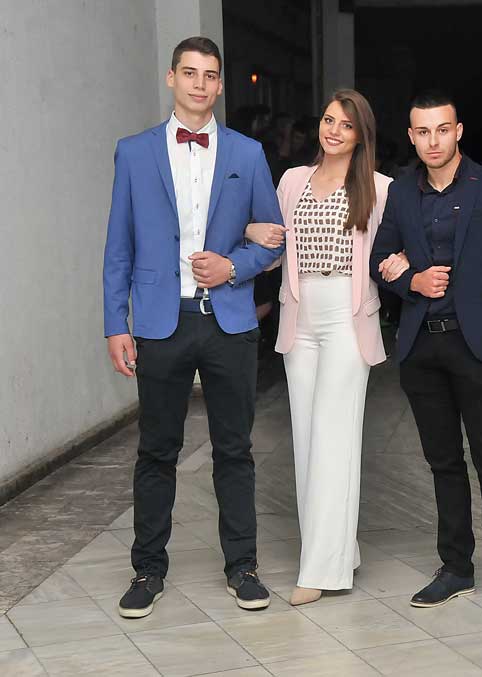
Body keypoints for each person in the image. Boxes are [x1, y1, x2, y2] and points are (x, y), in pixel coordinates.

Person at [103, 37, 282, 618]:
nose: (200, 84)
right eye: (190, 73)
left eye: (210, 75)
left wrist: (234, 266)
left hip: (228, 322)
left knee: (235, 450)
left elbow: (273, 240)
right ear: (171, 78)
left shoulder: (248, 154)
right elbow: (119, 245)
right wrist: (115, 323)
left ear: (220, 85)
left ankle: (242, 567)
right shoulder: (134, 153)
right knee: (157, 450)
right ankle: (147, 570)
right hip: (161, 322)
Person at [369, 91, 482, 628]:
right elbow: (379, 258)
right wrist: (411, 281)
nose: (433, 141)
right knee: (443, 463)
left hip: (478, 347)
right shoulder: (401, 192)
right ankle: (457, 568)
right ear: (411, 136)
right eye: (423, 132)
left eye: (442, 130)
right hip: (422, 347)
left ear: (458, 131)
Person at [244, 90, 393, 606]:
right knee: (308, 441)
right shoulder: (292, 181)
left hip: (347, 320)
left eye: (346, 125)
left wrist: (404, 266)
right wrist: (250, 232)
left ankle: (321, 570)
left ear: (361, 135)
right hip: (299, 316)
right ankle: (336, 550)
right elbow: (276, 251)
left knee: (334, 439)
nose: (334, 131)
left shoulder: (379, 188)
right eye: (330, 120)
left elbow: (395, 249)